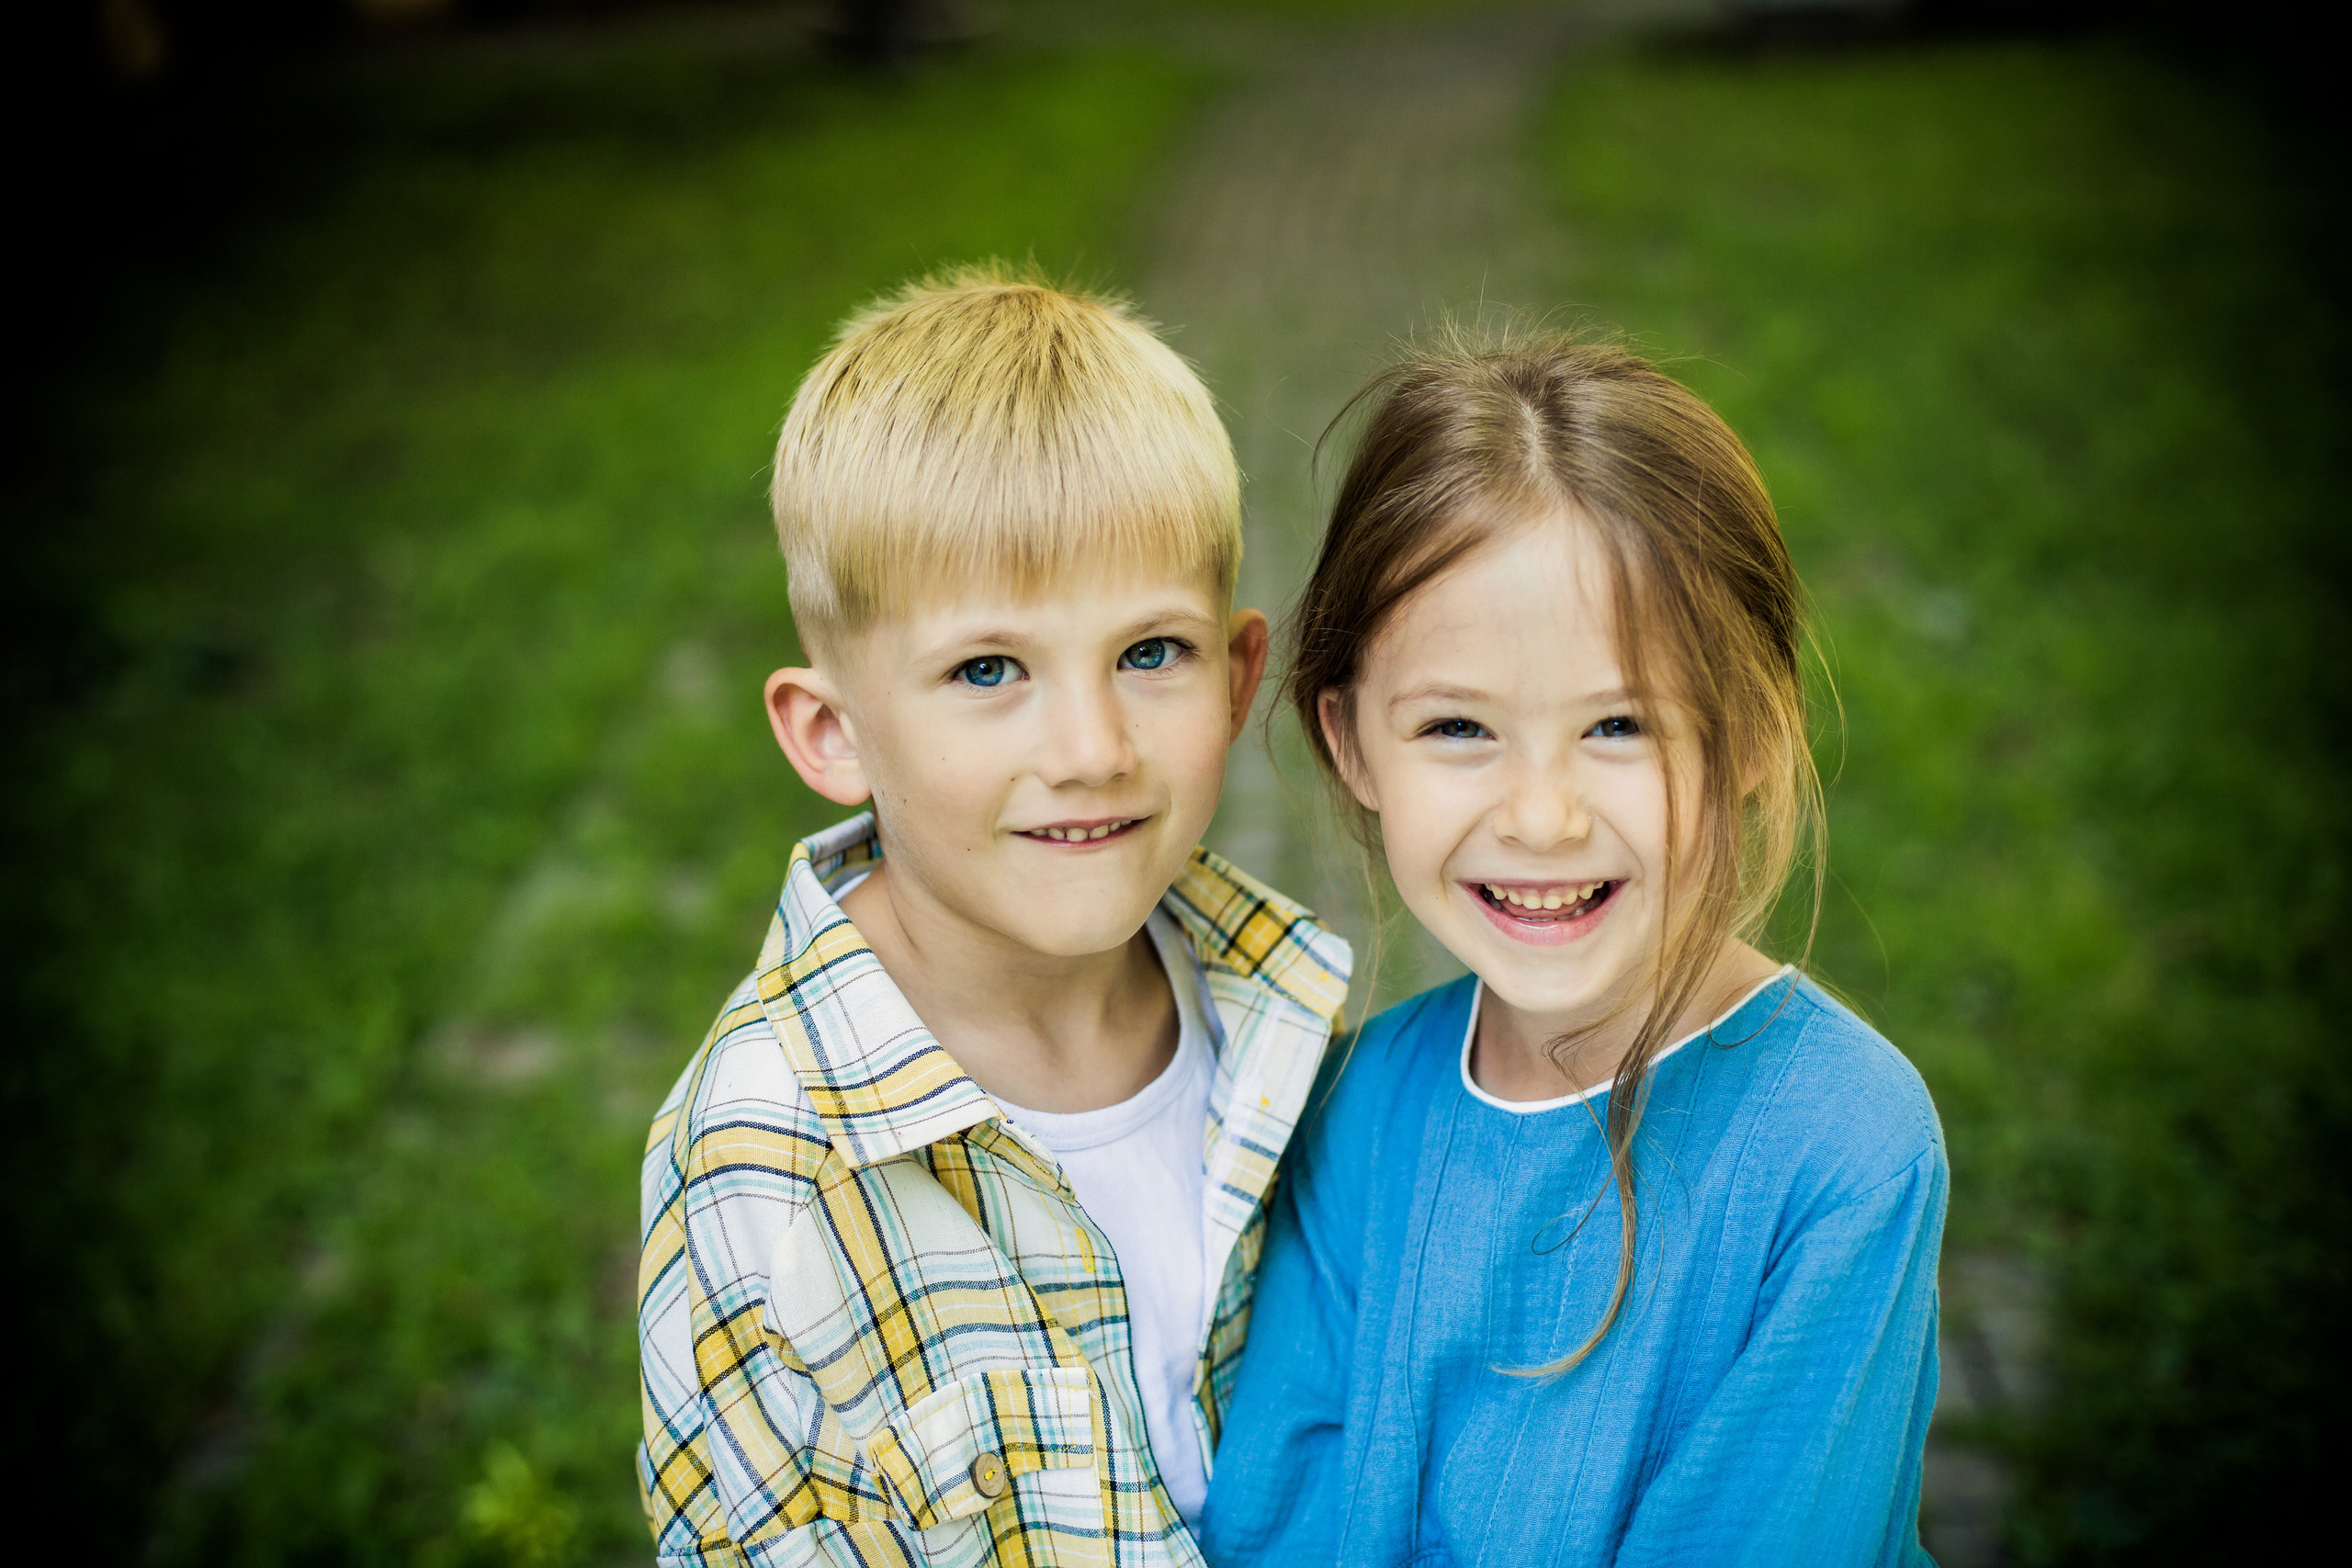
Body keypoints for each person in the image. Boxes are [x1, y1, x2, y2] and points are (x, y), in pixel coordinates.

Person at [637, 265, 1352, 1567]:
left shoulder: (1290, 1024)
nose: (1089, 748)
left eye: (1150, 653)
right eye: (987, 669)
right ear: (833, 731)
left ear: (1240, 675)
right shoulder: (771, 1182)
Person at [1202, 334, 1946, 1567]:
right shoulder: (1351, 1110)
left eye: (1619, 725)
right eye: (1457, 727)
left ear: (1752, 732)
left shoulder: (1845, 1149)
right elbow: (1278, 1525)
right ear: (1352, 744)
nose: (1542, 817)